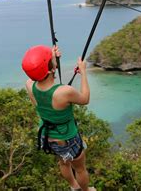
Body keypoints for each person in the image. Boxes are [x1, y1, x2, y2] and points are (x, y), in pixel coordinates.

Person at [22, 45, 96, 191]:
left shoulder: (30, 86)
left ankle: (74, 186)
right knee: (80, 168)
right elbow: (85, 99)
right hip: (68, 137)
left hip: (48, 136)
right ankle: (86, 190)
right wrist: (83, 72)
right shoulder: (63, 92)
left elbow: (35, 73)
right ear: (52, 69)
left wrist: (52, 60)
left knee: (63, 162)